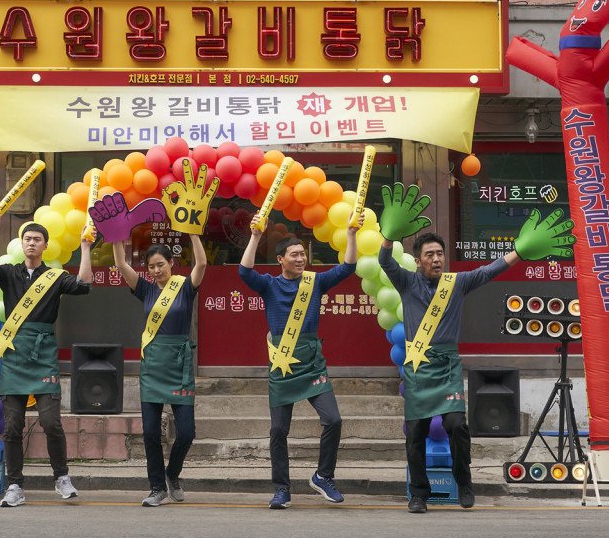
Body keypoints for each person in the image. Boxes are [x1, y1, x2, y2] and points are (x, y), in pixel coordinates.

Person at [376, 183, 574, 513]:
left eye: (440, 254)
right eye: (430, 255)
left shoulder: (457, 283)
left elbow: (489, 271)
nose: (436, 259)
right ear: (418, 260)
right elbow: (384, 260)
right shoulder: (407, 281)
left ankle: (464, 484)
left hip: (447, 366)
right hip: (418, 368)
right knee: (416, 432)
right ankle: (419, 494)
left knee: (457, 426)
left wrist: (520, 250)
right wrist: (388, 233)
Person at [239, 217, 358, 509]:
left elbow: (348, 267)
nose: (301, 258)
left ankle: (323, 476)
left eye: (303, 254)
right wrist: (255, 236)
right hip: (283, 364)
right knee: (279, 431)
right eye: (295, 255)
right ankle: (282, 489)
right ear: (280, 260)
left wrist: (352, 234)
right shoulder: (269, 286)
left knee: (334, 420)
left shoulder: (315, 282)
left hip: (311, 362)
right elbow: (244, 271)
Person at [0, 219, 92, 507]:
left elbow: (85, 284)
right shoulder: (9, 273)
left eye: (37, 239)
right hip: (14, 352)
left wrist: (86, 248)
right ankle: (14, 485)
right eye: (27, 238)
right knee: (13, 425)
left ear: (45, 245)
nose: (31, 242)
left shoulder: (54, 276)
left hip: (42, 354)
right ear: (21, 243)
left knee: (51, 421)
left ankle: (62, 478)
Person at [113, 235, 206, 507]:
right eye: (151, 266)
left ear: (171, 264)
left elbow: (201, 263)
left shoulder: (185, 288)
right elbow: (121, 263)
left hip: (178, 363)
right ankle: (157, 488)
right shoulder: (145, 289)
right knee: (151, 432)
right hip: (153, 364)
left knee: (186, 432)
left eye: (160, 264)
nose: (155, 270)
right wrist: (115, 235)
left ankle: (172, 474)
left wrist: (193, 233)